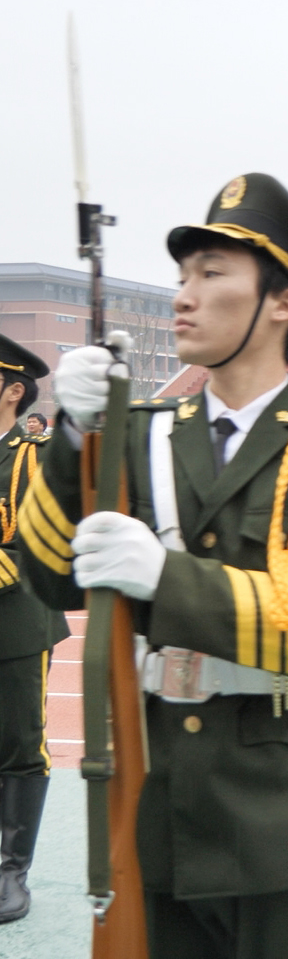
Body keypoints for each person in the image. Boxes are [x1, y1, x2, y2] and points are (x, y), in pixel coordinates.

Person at [20, 173, 288, 955]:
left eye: (212, 274)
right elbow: (53, 575)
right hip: (160, 802)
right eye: (182, 276)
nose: (184, 296)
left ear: (282, 302)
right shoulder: (145, 430)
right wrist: (72, 439)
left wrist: (167, 580)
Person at [0, 336, 61, 925]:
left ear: (12, 390)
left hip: (17, 620)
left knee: (19, 742)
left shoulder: (32, 452)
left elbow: (37, 541)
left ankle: (10, 869)